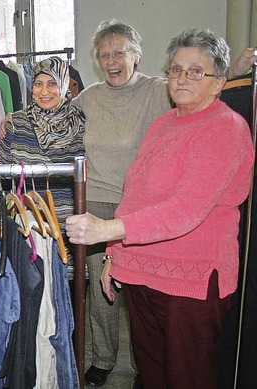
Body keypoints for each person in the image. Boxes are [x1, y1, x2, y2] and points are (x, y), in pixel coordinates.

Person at [67, 29, 254, 389]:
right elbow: (135, 193)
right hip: (142, 274)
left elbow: (185, 210)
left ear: (219, 82)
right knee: (152, 374)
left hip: (191, 282)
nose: (183, 78)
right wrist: (114, 255)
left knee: (187, 377)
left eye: (197, 71)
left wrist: (107, 230)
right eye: (177, 69)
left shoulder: (225, 128)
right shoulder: (164, 123)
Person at [68, 20, 173, 388]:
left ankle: (147, 364)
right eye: (105, 54)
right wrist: (12, 124)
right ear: (97, 61)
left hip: (141, 205)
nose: (112, 60)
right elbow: (55, 122)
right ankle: (103, 359)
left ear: (136, 55)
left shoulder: (158, 91)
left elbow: (201, 93)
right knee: (101, 291)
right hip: (96, 201)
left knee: (144, 290)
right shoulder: (88, 98)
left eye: (120, 52)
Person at [0, 56, 85, 242]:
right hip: (29, 228)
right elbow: (0, 177)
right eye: (38, 83)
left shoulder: (82, 124)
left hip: (73, 229)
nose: (44, 91)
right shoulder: (16, 124)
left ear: (64, 84)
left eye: (52, 83)